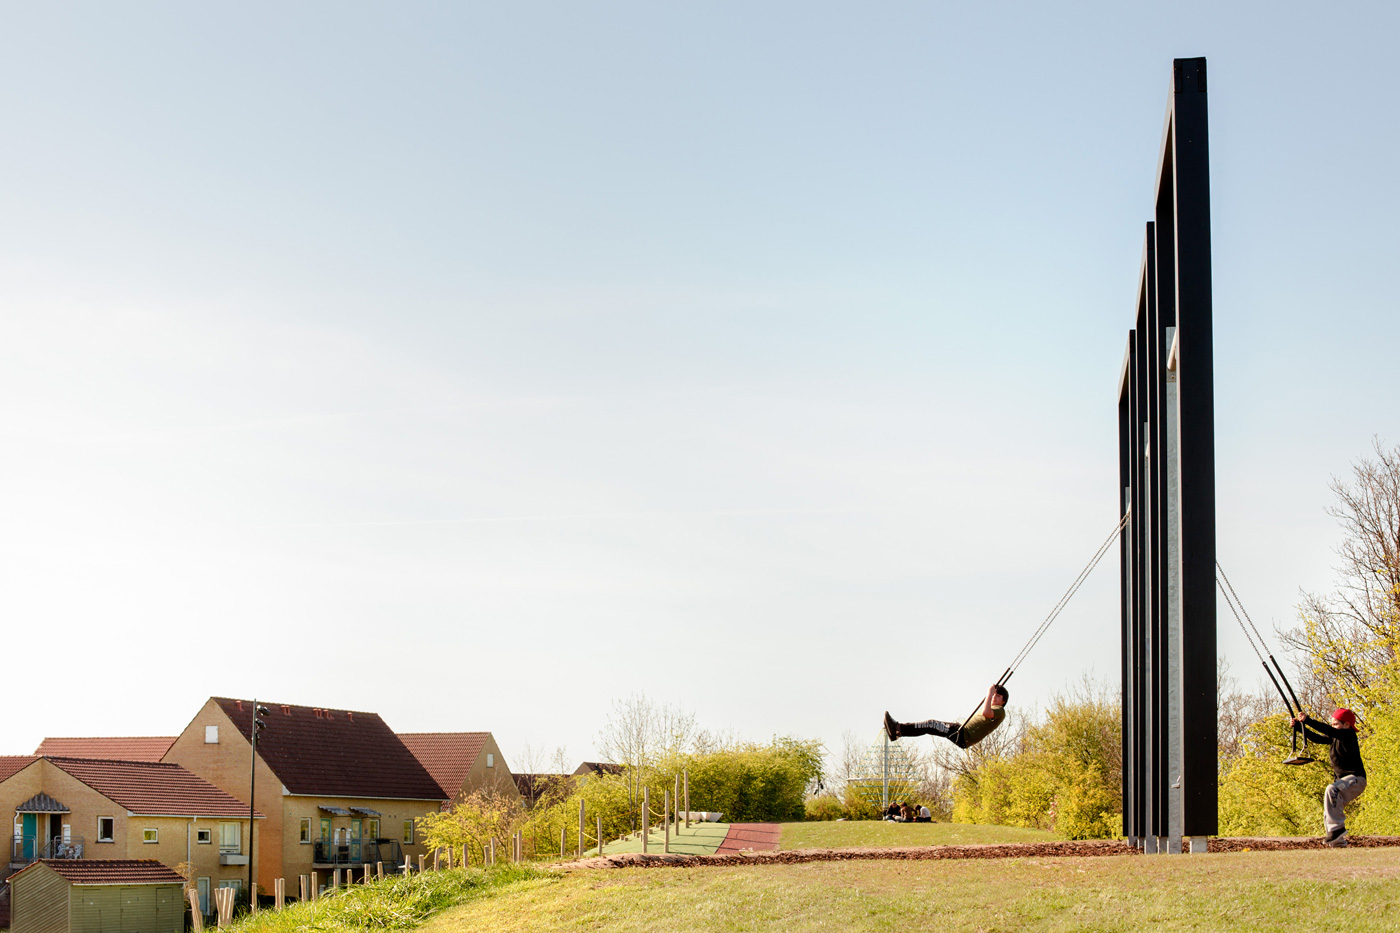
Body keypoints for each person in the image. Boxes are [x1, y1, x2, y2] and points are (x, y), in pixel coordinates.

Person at [1293, 707, 1366, 847]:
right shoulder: (1335, 738)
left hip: (1356, 780)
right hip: (1344, 782)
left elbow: (1328, 730)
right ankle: (1337, 842)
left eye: (1336, 724)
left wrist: (1308, 720)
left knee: (1332, 790)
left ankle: (1336, 830)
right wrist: (1298, 727)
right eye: (1332, 724)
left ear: (1347, 725)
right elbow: (1317, 738)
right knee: (1330, 803)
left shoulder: (1348, 735)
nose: (1333, 727)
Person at [884, 684, 1009, 748]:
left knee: (930, 724)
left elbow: (985, 713)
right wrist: (991, 694)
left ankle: (898, 729)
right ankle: (898, 731)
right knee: (930, 725)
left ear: (1003, 701)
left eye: (997, 696)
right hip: (961, 730)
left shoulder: (1000, 711)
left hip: (963, 735)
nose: (994, 697)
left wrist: (989, 693)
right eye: (994, 695)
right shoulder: (995, 708)